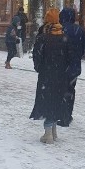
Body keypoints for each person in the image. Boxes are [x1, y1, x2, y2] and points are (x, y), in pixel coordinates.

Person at [30, 8, 73, 144]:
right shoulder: (64, 37)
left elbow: (37, 57)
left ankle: (48, 133)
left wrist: (39, 68)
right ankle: (53, 131)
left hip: (46, 75)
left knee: (47, 101)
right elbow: (69, 57)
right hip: (61, 76)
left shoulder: (43, 37)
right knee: (56, 101)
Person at [59, 7, 85, 127]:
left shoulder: (60, 30)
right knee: (70, 90)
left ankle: (61, 115)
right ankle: (68, 115)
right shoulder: (79, 30)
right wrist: (77, 56)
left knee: (60, 90)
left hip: (61, 65)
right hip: (74, 66)